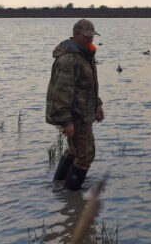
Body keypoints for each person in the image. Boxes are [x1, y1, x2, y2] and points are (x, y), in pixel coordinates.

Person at [46, 19, 104, 190]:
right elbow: (62, 91)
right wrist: (66, 121)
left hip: (82, 111)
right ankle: (72, 195)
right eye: (86, 37)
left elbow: (87, 85)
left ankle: (60, 188)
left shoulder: (84, 53)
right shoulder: (70, 58)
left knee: (74, 152)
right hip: (75, 114)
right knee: (86, 155)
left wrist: (98, 104)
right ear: (76, 34)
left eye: (92, 36)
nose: (90, 40)